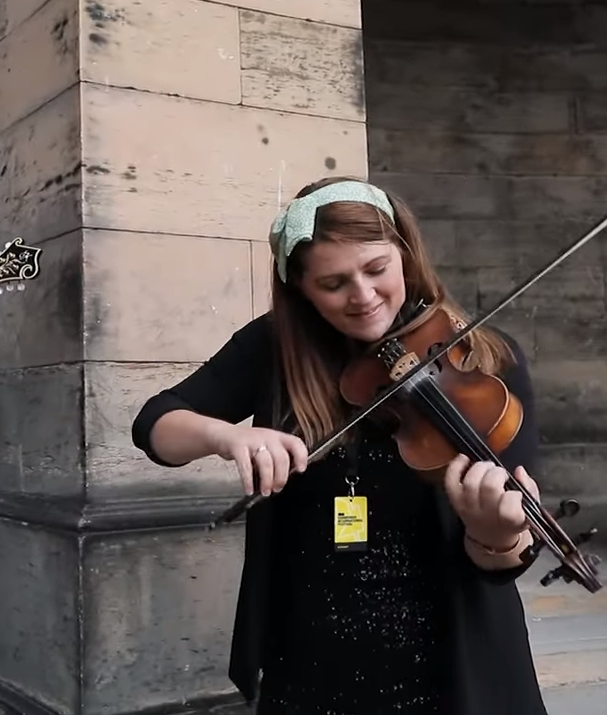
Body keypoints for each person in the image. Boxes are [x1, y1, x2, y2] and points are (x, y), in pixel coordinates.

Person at [130, 177, 550, 715]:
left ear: (406, 254)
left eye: (377, 269)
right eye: (333, 284)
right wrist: (227, 436)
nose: (364, 296)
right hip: (308, 662)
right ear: (301, 288)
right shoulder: (275, 348)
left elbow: (506, 558)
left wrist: (495, 536)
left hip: (456, 664)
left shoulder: (484, 359)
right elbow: (155, 426)